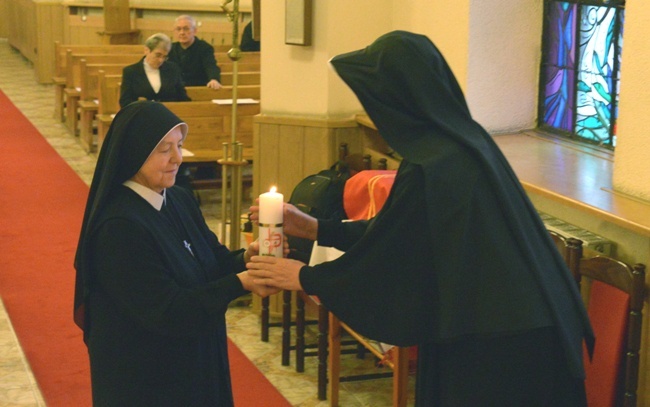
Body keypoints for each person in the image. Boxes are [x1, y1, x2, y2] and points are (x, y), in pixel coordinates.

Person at [246, 31, 595, 406]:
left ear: (399, 100)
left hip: (499, 343)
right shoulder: (460, 142)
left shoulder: (436, 163)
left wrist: (305, 276)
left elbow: (395, 258)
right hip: (512, 324)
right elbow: (403, 234)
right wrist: (319, 229)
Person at [73, 101, 279, 406]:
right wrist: (242, 283)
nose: (177, 158)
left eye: (179, 145)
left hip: (194, 358)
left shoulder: (178, 199)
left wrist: (247, 258)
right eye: (164, 149)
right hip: (149, 377)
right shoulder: (119, 227)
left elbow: (211, 260)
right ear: (135, 152)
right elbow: (166, 310)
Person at [119, 33, 190, 108]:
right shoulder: (131, 72)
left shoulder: (173, 69)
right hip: (142, 115)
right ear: (146, 50)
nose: (161, 60)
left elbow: (183, 97)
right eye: (158, 55)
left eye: (164, 57)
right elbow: (125, 101)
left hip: (169, 115)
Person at [169, 15, 222, 90]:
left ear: (195, 31)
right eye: (178, 29)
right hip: (175, 89)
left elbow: (210, 66)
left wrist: (214, 79)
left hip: (198, 88)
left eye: (186, 29)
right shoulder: (170, 48)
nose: (182, 32)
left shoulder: (204, 48)